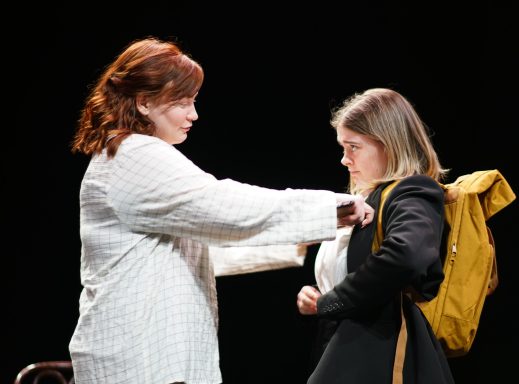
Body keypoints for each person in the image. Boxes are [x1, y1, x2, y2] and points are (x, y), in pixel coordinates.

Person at [69, 37, 373, 384]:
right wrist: (330, 207)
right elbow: (225, 205)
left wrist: (295, 241)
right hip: (139, 356)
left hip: (141, 353)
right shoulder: (135, 154)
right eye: (182, 103)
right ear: (143, 102)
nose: (193, 114)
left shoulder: (122, 154)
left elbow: (190, 250)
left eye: (193, 102)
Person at [296, 88, 455, 383]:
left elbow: (405, 256)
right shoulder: (365, 200)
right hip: (350, 344)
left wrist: (330, 301)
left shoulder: (413, 190)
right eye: (342, 148)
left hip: (382, 349)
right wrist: (319, 293)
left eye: (353, 147)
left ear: (388, 146)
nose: (345, 159)